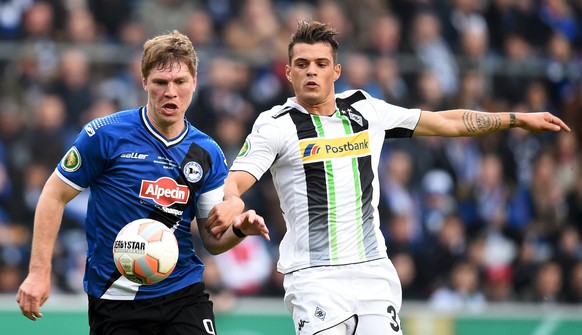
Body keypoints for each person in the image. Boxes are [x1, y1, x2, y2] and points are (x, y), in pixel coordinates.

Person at [206, 20, 571, 335]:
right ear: (288, 72)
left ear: (336, 70)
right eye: (302, 64)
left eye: (321, 63)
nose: (311, 71)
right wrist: (234, 201)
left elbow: (444, 121)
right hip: (314, 277)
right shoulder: (276, 125)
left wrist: (516, 118)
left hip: (373, 272)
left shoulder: (366, 110)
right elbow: (236, 179)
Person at [16, 30, 269, 335]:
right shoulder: (105, 135)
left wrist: (240, 228)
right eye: (161, 82)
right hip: (115, 298)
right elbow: (53, 195)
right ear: (144, 81)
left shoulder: (207, 153)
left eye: (180, 82)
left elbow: (213, 240)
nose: (170, 92)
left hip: (182, 293)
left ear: (195, 82)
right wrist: (38, 272)